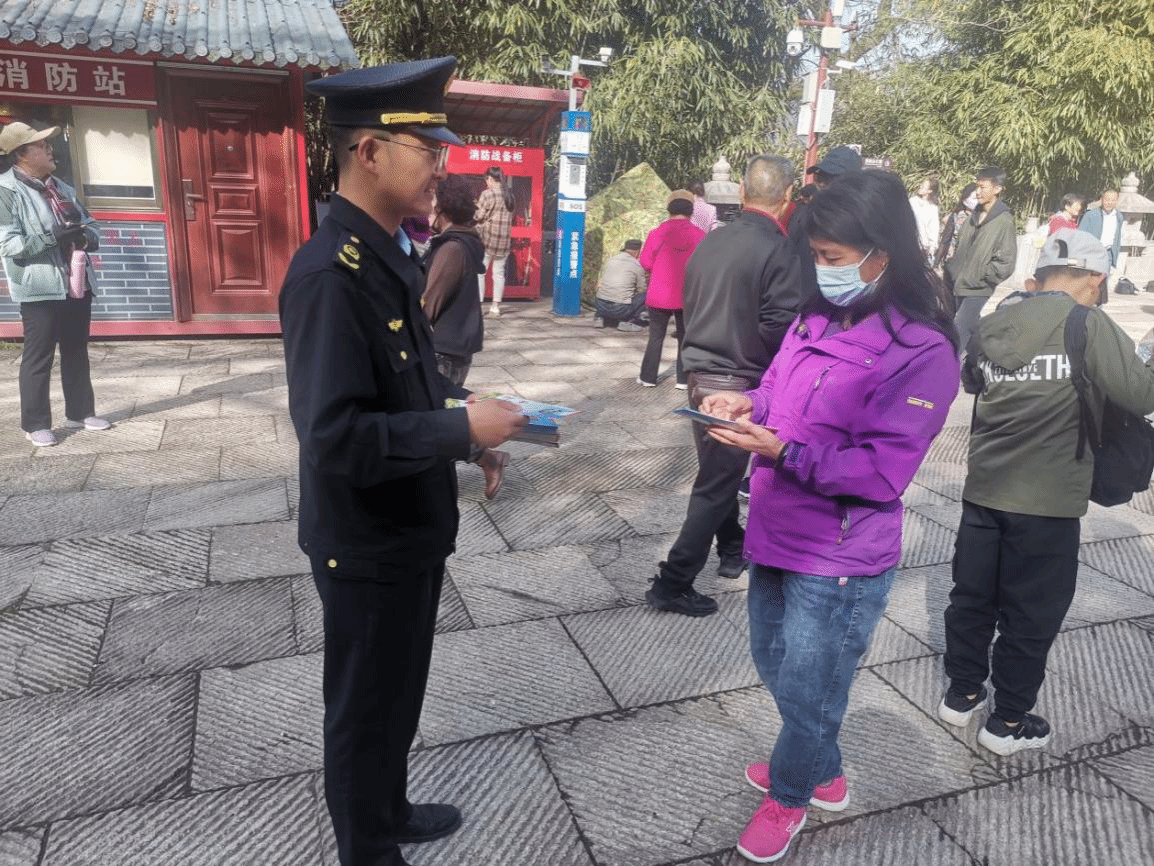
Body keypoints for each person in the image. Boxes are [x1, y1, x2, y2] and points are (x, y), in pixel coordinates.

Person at [279, 57, 526, 866]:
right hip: (365, 538)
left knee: (398, 690)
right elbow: (335, 437)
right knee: (363, 708)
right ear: (369, 152)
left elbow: (407, 389)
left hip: (409, 527)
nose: (441, 166)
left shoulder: (390, 253)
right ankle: (366, 848)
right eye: (427, 148)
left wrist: (469, 429)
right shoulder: (329, 276)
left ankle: (388, 810)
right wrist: (454, 433)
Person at [700, 170, 959, 863]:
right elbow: (778, 388)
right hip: (776, 527)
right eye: (815, 255)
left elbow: (882, 470)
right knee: (775, 664)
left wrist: (782, 451)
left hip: (838, 551)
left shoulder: (922, 351)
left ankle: (791, 796)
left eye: (833, 257)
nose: (822, 269)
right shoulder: (815, 317)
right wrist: (746, 404)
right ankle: (823, 768)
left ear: (883, 253)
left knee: (810, 687)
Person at [938, 228, 1154, 757]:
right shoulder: (1086, 323)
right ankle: (1008, 721)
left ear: (1040, 276)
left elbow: (973, 382)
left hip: (984, 491)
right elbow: (1142, 394)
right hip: (1048, 500)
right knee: (1031, 614)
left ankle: (962, 693)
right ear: (1095, 278)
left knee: (971, 598)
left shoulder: (995, 322)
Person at [646, 155, 805, 617]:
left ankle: (733, 548)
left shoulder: (711, 241)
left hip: (699, 373)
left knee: (721, 474)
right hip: (738, 381)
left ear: (741, 192)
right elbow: (780, 325)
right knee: (717, 484)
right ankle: (673, 582)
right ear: (788, 197)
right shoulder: (779, 250)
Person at [0, 121, 108, 447]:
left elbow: (92, 226)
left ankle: (80, 412)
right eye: (41, 145)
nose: (50, 149)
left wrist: (86, 237)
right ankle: (35, 424)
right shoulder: (6, 191)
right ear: (21, 154)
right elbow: (9, 244)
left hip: (76, 280)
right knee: (39, 356)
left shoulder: (62, 187)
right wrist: (52, 237)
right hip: (39, 287)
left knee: (76, 350)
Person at [422, 173, 510, 499]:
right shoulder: (461, 242)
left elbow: (427, 306)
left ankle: (486, 458)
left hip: (443, 347)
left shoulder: (452, 248)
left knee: (437, 418)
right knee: (440, 415)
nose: (428, 205)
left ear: (443, 207)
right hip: (454, 344)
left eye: (432, 198)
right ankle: (486, 458)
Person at [944, 166, 1017, 356]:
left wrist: (983, 276)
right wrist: (953, 268)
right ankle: (982, 361)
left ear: (997, 189)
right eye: (977, 186)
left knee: (958, 331)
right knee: (971, 328)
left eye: (982, 187)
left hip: (979, 286)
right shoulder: (972, 216)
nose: (977, 192)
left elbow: (1006, 261)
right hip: (960, 283)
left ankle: (945, 368)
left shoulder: (1004, 221)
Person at [637, 190, 705, 388]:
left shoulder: (657, 233)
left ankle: (648, 377)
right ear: (691, 213)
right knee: (685, 336)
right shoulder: (700, 235)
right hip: (688, 294)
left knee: (655, 336)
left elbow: (645, 262)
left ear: (669, 211)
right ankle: (683, 380)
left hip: (659, 294)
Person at [474, 165, 514, 317]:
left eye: (487, 180)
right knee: (498, 274)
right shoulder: (509, 195)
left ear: (490, 179)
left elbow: (478, 216)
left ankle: (479, 305)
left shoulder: (487, 194)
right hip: (504, 241)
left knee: (480, 272)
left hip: (488, 239)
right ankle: (495, 307)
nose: (486, 183)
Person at [1078, 189, 1122, 306]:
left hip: (1107, 254)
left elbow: (1117, 237)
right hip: (1091, 253)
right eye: (1107, 199)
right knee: (1087, 282)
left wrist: (1114, 256)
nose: (1109, 202)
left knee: (1102, 283)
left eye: (1113, 200)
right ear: (1101, 199)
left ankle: (1098, 309)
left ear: (1117, 201)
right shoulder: (1091, 215)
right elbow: (1080, 234)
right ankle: (1083, 307)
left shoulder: (1119, 216)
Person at [593, 239, 648, 331]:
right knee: (646, 295)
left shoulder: (610, 260)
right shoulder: (636, 265)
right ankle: (628, 322)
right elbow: (641, 289)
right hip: (621, 310)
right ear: (637, 252)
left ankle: (599, 317)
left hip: (600, 305)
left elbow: (602, 281)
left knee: (605, 290)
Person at [933, 183, 977, 270]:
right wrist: (935, 264)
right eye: (974, 198)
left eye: (978, 198)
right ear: (964, 200)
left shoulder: (984, 218)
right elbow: (945, 240)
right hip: (952, 261)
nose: (977, 202)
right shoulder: (956, 216)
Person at [909, 176, 941, 265]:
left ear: (929, 191)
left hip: (922, 247)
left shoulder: (933, 208)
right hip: (908, 241)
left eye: (924, 186)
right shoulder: (912, 201)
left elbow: (934, 228)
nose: (921, 187)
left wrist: (932, 247)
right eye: (922, 185)